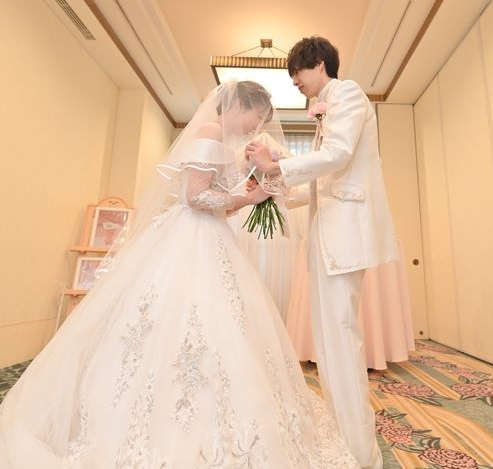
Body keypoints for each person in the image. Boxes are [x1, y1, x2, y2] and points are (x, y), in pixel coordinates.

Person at [0, 80, 359, 469]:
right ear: (238, 106)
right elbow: (195, 196)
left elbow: (221, 206)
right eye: (255, 119)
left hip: (212, 237)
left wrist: (252, 193)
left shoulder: (226, 144)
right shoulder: (210, 131)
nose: (254, 129)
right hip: (189, 238)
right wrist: (247, 196)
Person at [246, 37, 400, 469]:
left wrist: (277, 165)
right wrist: (274, 189)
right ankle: (345, 440)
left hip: (344, 237)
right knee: (331, 346)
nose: (294, 81)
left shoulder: (347, 93)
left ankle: (359, 453)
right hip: (328, 240)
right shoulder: (324, 109)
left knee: (340, 343)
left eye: (296, 72)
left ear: (317, 63)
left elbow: (338, 155)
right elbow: (322, 181)